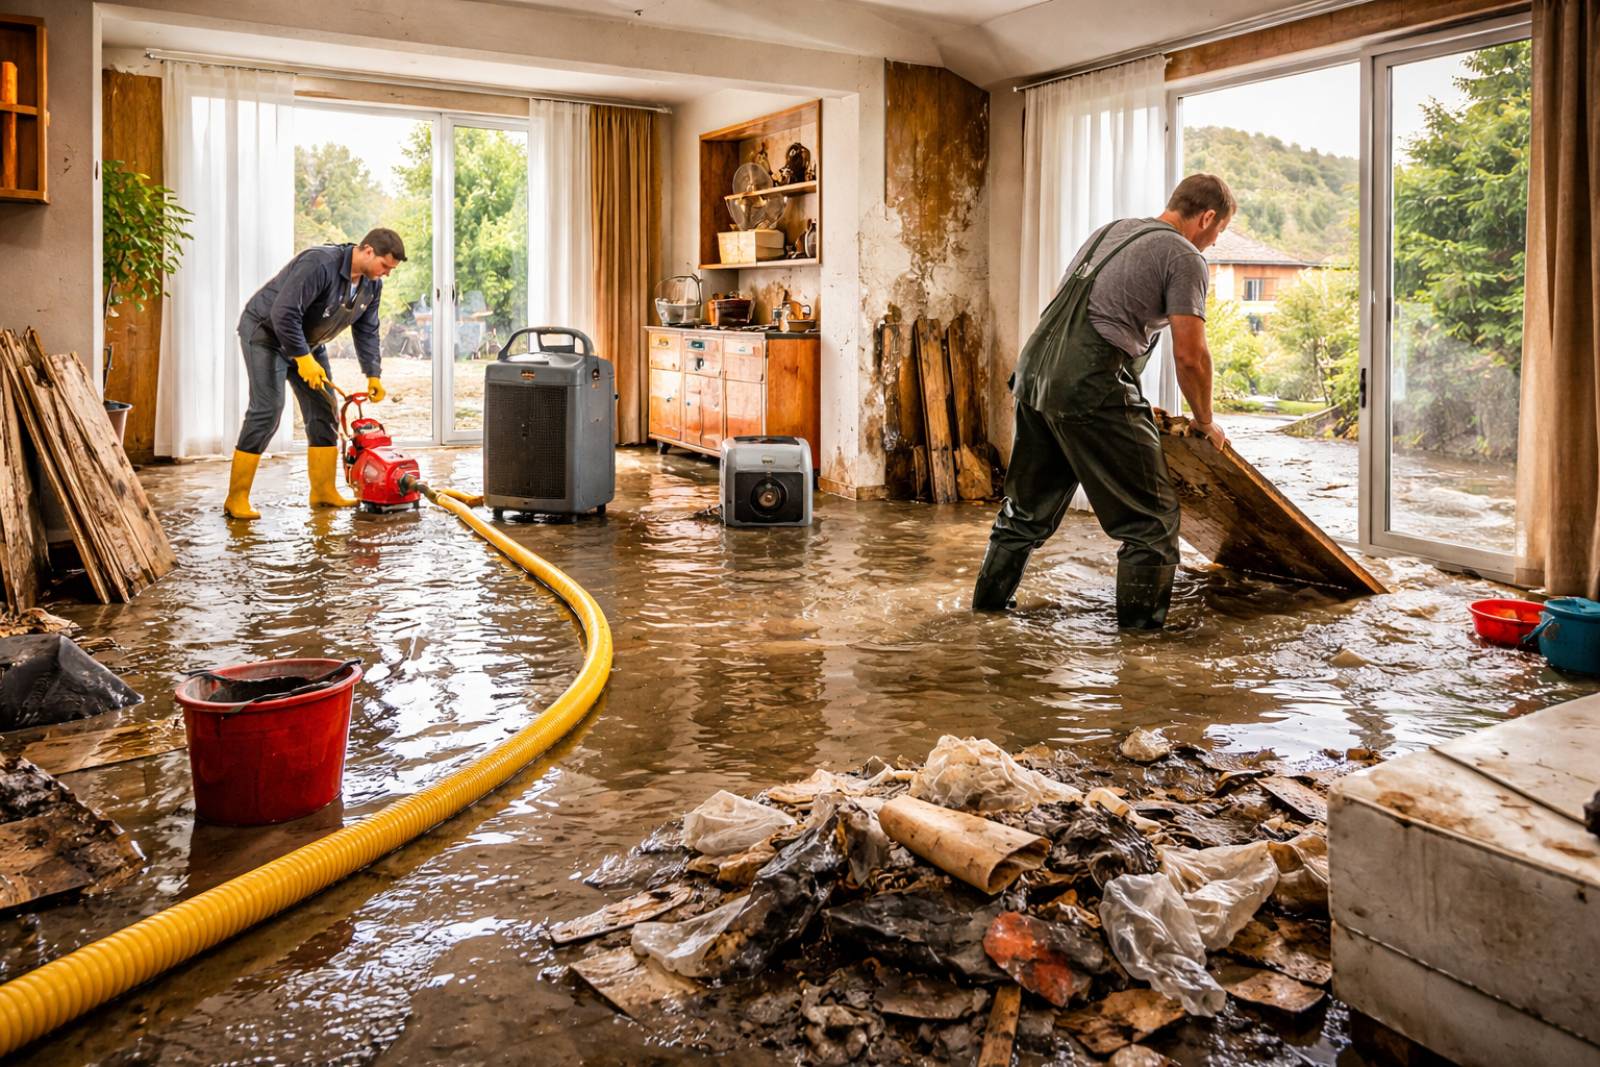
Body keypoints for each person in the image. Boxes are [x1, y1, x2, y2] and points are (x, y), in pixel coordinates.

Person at [972, 174, 1235, 629]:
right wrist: (1204, 420)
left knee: (1025, 511)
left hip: (1036, 376)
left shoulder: (1112, 231)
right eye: (1219, 232)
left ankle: (985, 615)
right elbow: (1191, 356)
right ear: (1207, 217)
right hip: (1088, 383)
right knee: (1151, 523)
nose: (1213, 243)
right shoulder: (1184, 256)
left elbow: (1087, 314)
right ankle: (1140, 649)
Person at [223, 228, 407, 520]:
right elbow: (284, 313)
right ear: (368, 250)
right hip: (265, 334)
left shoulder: (371, 286)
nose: (386, 273)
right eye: (385, 266)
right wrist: (303, 359)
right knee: (268, 410)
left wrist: (373, 374)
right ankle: (236, 498)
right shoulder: (320, 263)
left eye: (391, 270)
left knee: (325, 410)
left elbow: (367, 329)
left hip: (308, 342)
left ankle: (323, 493)